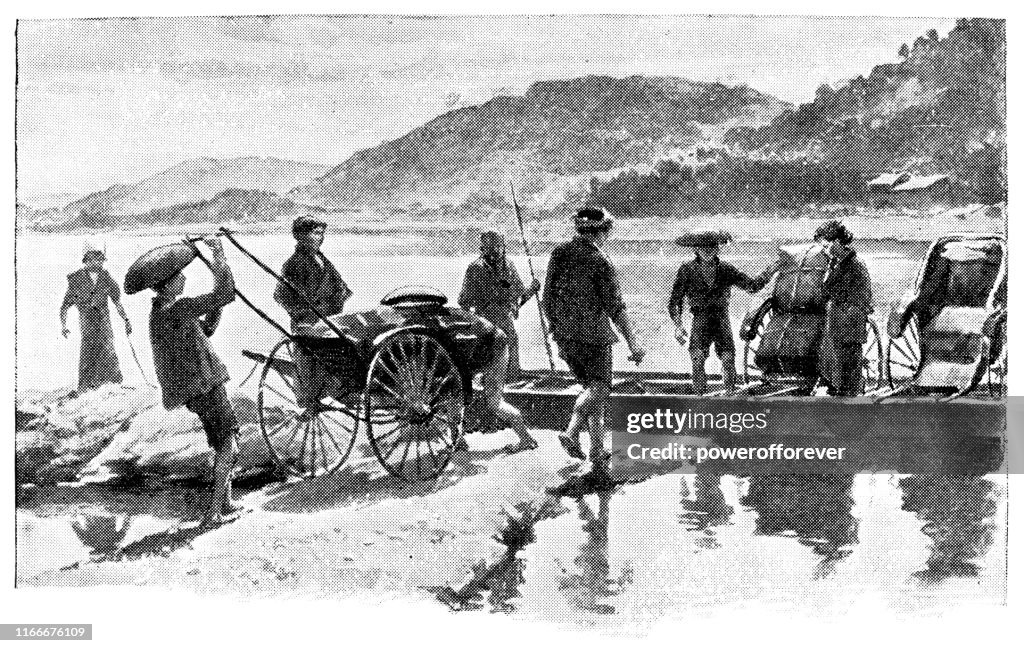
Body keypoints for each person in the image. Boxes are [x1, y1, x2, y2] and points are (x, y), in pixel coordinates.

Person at [543, 207, 644, 467]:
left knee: (591, 391)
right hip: (594, 338)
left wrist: (557, 329)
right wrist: (634, 344)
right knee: (599, 388)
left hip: (565, 337)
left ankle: (597, 449)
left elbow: (547, 299)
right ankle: (572, 431)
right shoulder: (600, 260)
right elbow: (616, 307)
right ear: (603, 231)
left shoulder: (559, 253)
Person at [149, 237, 239, 527]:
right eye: (178, 275)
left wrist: (216, 304)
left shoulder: (159, 314)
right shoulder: (180, 309)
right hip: (206, 385)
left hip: (194, 391)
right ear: (168, 284)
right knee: (228, 445)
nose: (184, 277)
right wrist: (219, 255)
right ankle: (213, 513)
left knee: (220, 441)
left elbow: (206, 329)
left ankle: (226, 503)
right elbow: (225, 293)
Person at [668, 231, 779, 394]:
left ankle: (729, 394)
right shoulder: (687, 270)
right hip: (700, 320)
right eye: (703, 247)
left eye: (712, 246)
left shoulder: (726, 269)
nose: (707, 250)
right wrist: (678, 326)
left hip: (722, 321)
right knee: (697, 359)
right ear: (695, 249)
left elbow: (752, 286)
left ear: (718, 248)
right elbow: (674, 302)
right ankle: (699, 398)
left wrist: (772, 269)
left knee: (728, 359)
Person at [274, 215, 353, 413]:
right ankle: (310, 400)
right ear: (301, 236)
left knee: (342, 351)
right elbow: (281, 295)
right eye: (316, 233)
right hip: (306, 324)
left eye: (322, 233)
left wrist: (334, 302)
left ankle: (340, 391)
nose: (321, 238)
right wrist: (304, 312)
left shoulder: (323, 260)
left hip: (329, 319)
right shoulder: (293, 264)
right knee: (309, 362)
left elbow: (341, 287)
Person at [458, 230, 540, 382]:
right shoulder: (475, 269)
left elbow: (518, 298)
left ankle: (513, 378)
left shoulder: (508, 265)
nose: (494, 252)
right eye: (489, 248)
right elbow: (464, 303)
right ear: (482, 249)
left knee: (511, 355)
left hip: (506, 324)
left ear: (503, 247)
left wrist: (532, 289)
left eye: (497, 247)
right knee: (493, 363)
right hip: (486, 325)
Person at [60, 240, 131, 392]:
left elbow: (117, 302)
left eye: (99, 259)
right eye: (92, 259)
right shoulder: (76, 279)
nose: (96, 262)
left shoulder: (106, 277)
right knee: (88, 352)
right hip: (87, 323)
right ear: (85, 260)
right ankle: (85, 388)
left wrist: (126, 320)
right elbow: (65, 305)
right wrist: (64, 326)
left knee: (108, 351)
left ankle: (113, 385)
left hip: (104, 322)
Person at [814, 220, 873, 396]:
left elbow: (863, 298)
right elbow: (826, 291)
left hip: (849, 323)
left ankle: (850, 392)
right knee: (831, 363)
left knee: (847, 370)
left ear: (838, 241)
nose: (824, 250)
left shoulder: (856, 265)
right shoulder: (834, 263)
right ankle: (836, 388)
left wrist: (843, 308)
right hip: (836, 321)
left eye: (826, 246)